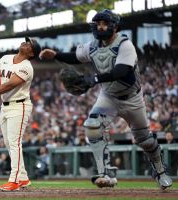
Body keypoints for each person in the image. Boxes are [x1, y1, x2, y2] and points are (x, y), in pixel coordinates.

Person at [39, 9, 172, 189]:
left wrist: (93, 79)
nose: (101, 27)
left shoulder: (125, 44)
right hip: (108, 96)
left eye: (105, 23)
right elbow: (76, 57)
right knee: (92, 125)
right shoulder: (93, 46)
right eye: (98, 24)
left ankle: (160, 170)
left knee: (145, 140)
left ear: (115, 27)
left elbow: (121, 71)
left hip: (132, 98)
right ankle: (105, 173)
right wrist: (56, 54)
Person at [0, 37, 41, 191]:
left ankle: (14, 180)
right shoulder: (5, 58)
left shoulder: (27, 67)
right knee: (9, 142)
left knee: (14, 142)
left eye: (29, 44)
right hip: (5, 106)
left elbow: (10, 84)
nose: (25, 43)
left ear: (31, 53)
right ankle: (23, 178)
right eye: (25, 41)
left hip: (19, 105)